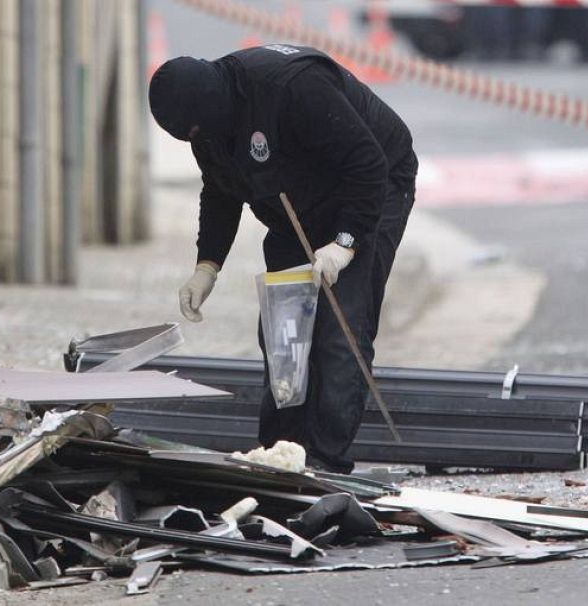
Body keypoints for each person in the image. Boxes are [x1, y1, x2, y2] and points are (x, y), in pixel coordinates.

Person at [149, 44, 418, 473]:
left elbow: (368, 164)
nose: (198, 140)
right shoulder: (208, 126)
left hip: (371, 186)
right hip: (296, 203)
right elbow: (220, 191)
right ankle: (280, 452)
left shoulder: (293, 87)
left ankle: (327, 460)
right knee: (285, 332)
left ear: (214, 107)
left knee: (339, 328)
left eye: (199, 131)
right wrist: (207, 266)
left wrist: (345, 244)